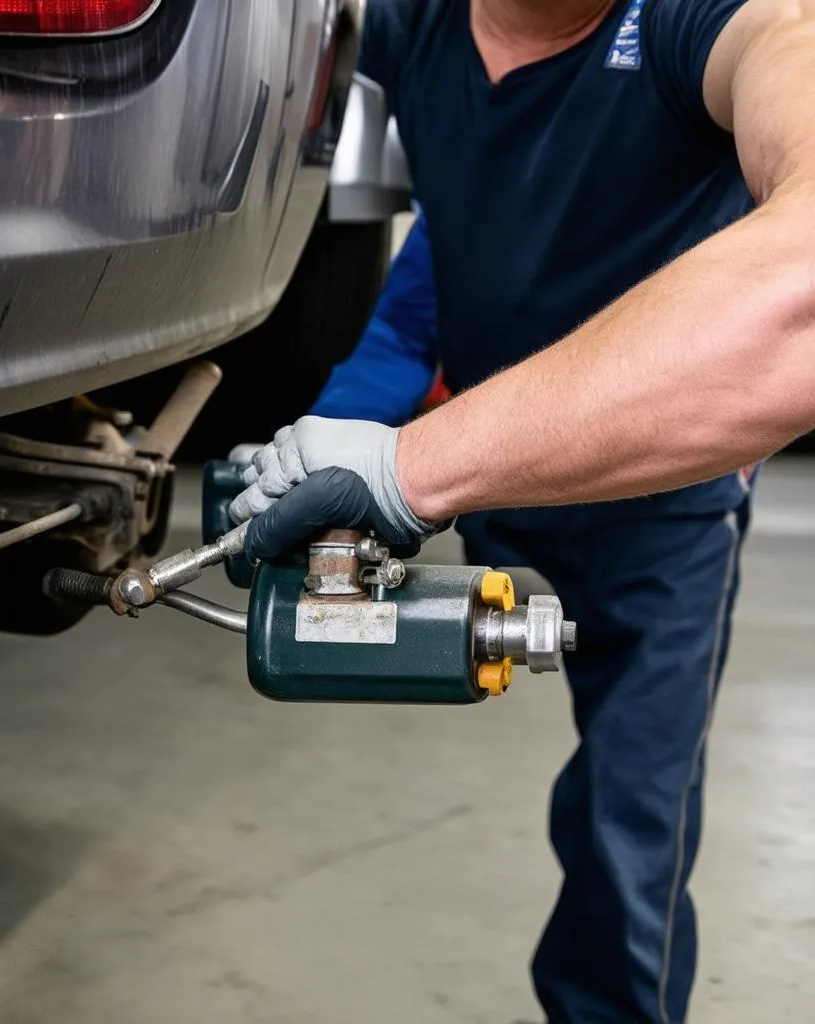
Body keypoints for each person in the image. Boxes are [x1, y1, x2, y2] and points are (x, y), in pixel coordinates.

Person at [230, 1, 815, 1021]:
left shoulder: (716, 22)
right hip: (487, 473)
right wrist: (325, 444)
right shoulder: (410, 34)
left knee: (626, 829)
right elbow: (438, 264)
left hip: (662, 510)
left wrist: (408, 467)